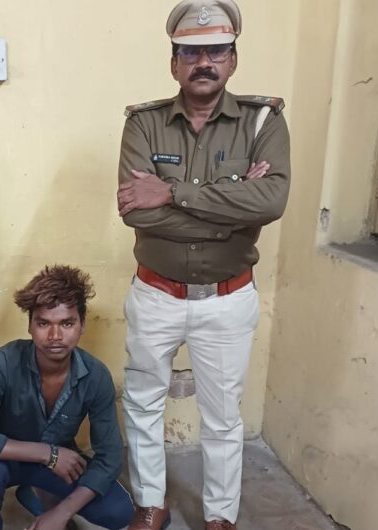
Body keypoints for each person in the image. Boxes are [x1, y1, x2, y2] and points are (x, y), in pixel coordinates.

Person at [116, 1, 291, 529]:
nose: (204, 62)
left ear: (233, 59)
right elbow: (134, 212)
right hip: (155, 294)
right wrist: (231, 212)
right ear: (174, 63)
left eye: (216, 50)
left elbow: (271, 202)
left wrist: (170, 193)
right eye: (191, 53)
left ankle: (220, 516)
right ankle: (150, 504)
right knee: (143, 405)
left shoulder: (263, 122)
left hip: (228, 298)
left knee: (222, 417)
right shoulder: (144, 124)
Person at [0, 265, 134, 530]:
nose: (55, 336)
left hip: (59, 460)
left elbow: (110, 458)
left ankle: (38, 494)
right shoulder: (4, 362)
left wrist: (62, 512)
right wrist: (48, 454)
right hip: (9, 458)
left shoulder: (96, 376)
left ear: (82, 325)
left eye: (67, 323)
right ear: (30, 326)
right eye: (44, 323)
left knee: (119, 510)